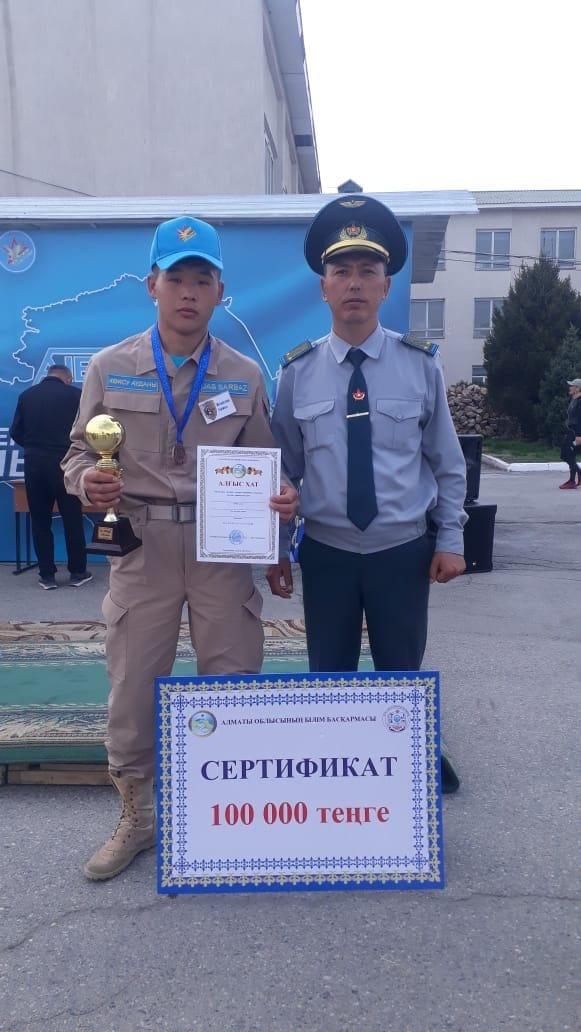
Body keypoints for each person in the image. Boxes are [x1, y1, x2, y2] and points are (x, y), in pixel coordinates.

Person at [62, 215, 298, 880]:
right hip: (143, 543)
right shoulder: (111, 367)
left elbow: (266, 469)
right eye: (175, 279)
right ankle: (137, 818)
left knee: (233, 673)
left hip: (222, 543)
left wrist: (280, 512)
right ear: (152, 287)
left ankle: (226, 815)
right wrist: (88, 483)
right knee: (134, 684)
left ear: (220, 291)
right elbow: (78, 453)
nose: (188, 292)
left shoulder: (243, 375)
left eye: (202, 280)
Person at [267, 195, 467, 791]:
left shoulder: (421, 366)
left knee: (400, 666)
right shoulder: (297, 372)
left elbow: (447, 463)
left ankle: (408, 765)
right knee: (328, 670)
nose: (353, 283)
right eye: (341, 271)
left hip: (401, 550)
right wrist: (277, 549)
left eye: (367, 271)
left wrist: (451, 539)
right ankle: (335, 777)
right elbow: (283, 473)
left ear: (385, 286)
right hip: (327, 550)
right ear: (323, 288)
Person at [9, 364, 91, 589]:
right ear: (68, 378)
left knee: (40, 520)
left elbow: (16, 431)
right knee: (72, 519)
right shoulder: (76, 395)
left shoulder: (27, 395)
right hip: (67, 464)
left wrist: (34, 447)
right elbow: (87, 431)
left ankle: (47, 575)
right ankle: (78, 572)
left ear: (48, 375)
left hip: (35, 464)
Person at [558, 378, 581, 489]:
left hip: (576, 433)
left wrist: (579, 435)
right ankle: (577, 476)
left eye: (572, 386)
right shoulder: (573, 399)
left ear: (577, 388)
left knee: (568, 454)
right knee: (565, 454)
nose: (569, 387)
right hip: (570, 431)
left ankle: (572, 481)